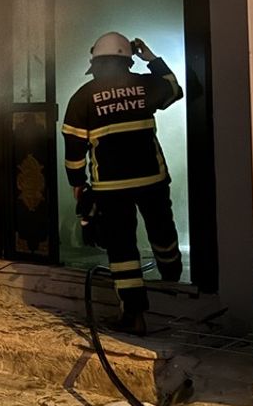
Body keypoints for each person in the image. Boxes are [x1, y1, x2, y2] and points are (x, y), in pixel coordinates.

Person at [61, 32, 184, 336]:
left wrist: (78, 184)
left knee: (122, 248)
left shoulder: (82, 97)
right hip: (151, 179)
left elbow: (74, 151)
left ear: (96, 63)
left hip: (110, 188)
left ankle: (134, 314)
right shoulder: (143, 85)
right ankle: (172, 277)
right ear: (127, 59)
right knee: (162, 229)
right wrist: (152, 58)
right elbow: (174, 89)